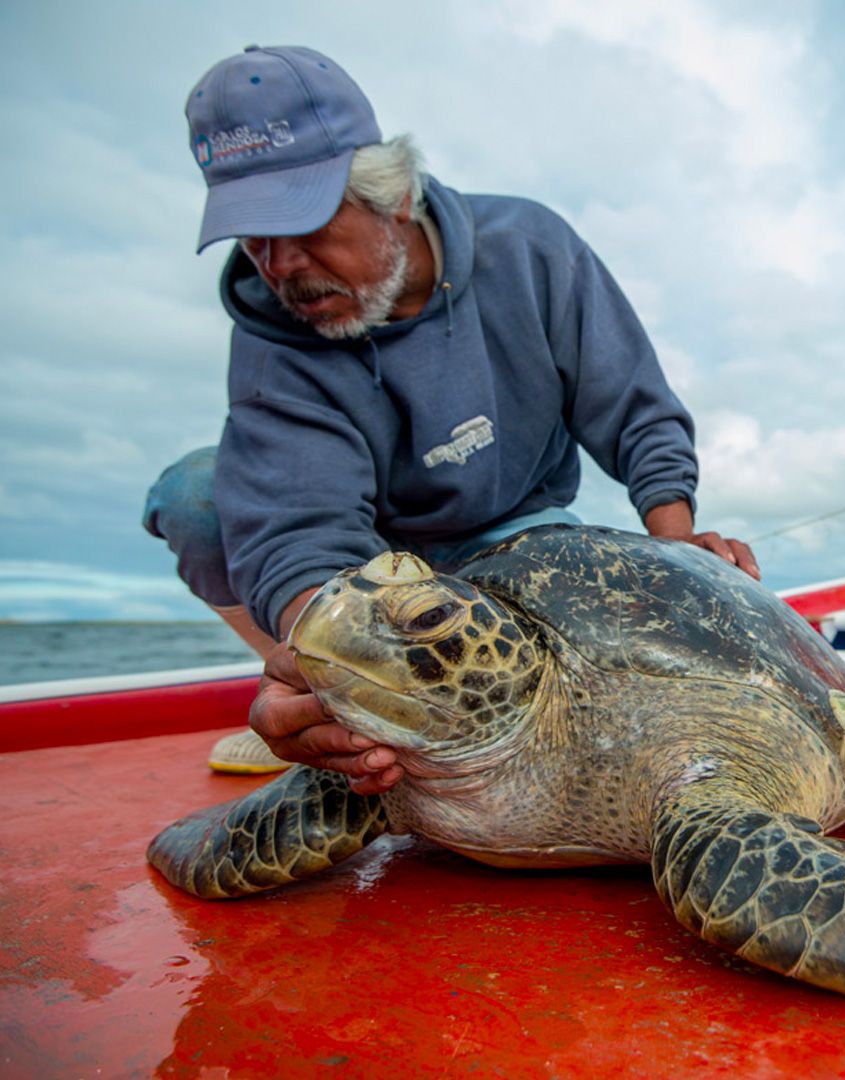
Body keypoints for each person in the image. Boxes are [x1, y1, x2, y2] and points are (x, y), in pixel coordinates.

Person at [145, 45, 759, 789]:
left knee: (604, 628)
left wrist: (680, 552)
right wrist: (334, 683)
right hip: (366, 571)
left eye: (301, 224)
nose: (279, 266)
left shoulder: (530, 246)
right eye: (253, 235)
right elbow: (297, 532)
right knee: (196, 496)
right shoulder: (274, 335)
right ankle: (314, 711)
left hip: (520, 534)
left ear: (395, 196)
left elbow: (631, 404)